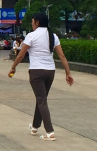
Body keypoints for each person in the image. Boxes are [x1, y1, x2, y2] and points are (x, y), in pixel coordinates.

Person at [9, 13, 74, 141]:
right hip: (50, 71)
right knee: (41, 98)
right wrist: (68, 73)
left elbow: (21, 55)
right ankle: (35, 126)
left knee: (41, 100)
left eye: (33, 21)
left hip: (36, 72)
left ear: (37, 22)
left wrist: (13, 67)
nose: (32, 24)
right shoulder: (53, 36)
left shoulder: (31, 36)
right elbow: (62, 56)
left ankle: (50, 132)